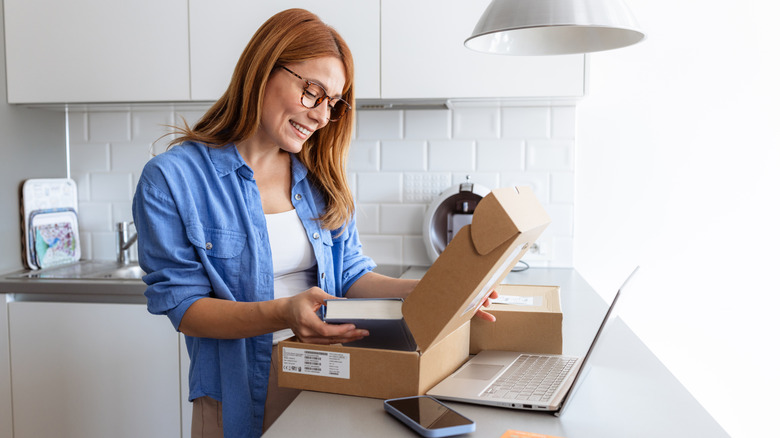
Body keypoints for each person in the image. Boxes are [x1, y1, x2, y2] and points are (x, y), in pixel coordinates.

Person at [132, 8, 497, 438]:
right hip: (235, 394)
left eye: (333, 103)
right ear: (264, 69)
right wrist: (284, 313)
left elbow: (350, 272)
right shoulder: (173, 179)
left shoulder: (318, 176)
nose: (323, 116)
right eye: (313, 92)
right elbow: (185, 308)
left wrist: (431, 292)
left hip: (330, 375)